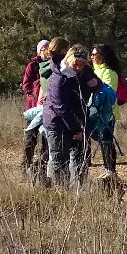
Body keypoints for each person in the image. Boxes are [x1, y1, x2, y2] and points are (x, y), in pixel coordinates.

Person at [43, 45, 92, 189]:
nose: (78, 67)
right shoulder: (60, 77)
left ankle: (72, 191)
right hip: (57, 124)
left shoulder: (71, 75)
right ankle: (58, 194)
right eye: (76, 64)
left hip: (70, 123)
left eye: (82, 65)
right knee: (59, 162)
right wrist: (76, 129)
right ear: (68, 59)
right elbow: (61, 107)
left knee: (72, 160)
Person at [90, 43, 123, 180]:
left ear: (103, 56)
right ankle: (107, 169)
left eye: (94, 54)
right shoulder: (94, 71)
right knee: (102, 141)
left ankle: (111, 171)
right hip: (95, 112)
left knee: (106, 141)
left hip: (107, 114)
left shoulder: (109, 73)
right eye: (91, 54)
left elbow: (108, 94)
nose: (91, 57)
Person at [21, 40, 48, 169]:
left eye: (49, 49)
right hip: (33, 108)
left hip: (47, 109)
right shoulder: (32, 66)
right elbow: (25, 85)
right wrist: (38, 87)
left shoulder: (53, 65)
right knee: (29, 139)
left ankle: (42, 167)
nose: (46, 51)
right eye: (44, 49)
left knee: (46, 140)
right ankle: (26, 165)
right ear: (39, 51)